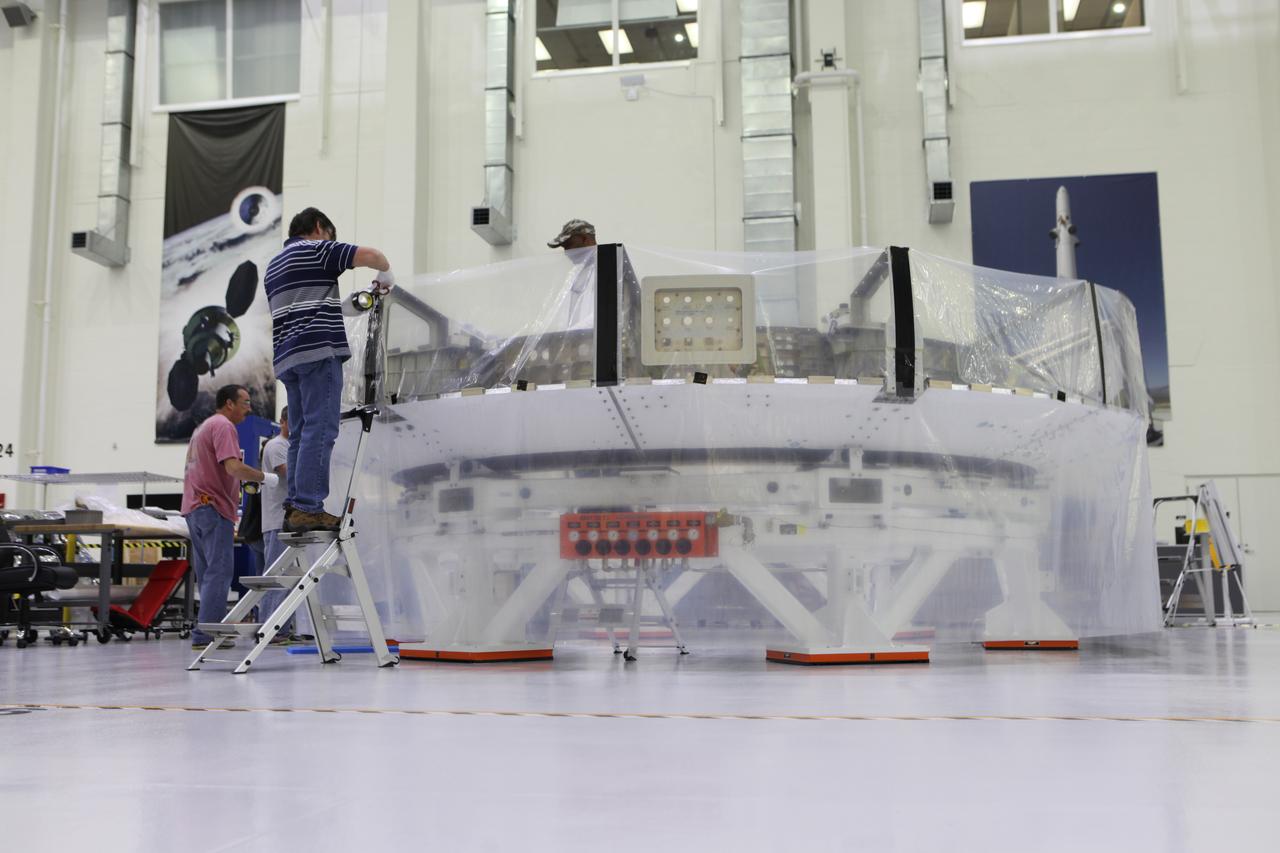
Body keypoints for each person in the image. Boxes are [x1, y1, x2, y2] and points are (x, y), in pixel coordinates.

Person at [265, 208, 394, 533]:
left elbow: (303, 304)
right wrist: (386, 275)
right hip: (319, 353)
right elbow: (373, 256)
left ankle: (297, 504)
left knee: (300, 433)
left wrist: (341, 307)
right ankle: (309, 507)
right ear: (319, 227)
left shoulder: (274, 266)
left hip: (288, 358)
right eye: (330, 235)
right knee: (321, 429)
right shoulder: (317, 249)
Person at [183, 384, 277, 649]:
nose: (249, 408)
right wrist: (265, 477)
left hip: (194, 508)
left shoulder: (203, 428)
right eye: (245, 402)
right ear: (229, 404)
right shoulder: (224, 426)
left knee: (208, 573)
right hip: (212, 508)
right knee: (219, 572)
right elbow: (233, 467)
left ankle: (208, 630)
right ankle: (207, 634)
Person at [256, 407, 299, 642]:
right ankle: (270, 628)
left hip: (292, 521)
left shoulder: (294, 446)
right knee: (277, 574)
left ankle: (282, 628)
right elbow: (289, 474)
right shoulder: (276, 446)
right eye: (293, 421)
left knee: (290, 577)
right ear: (282, 422)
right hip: (278, 521)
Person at [547, 219, 597, 331]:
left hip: (595, 340)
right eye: (564, 248)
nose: (567, 253)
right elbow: (563, 320)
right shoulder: (573, 276)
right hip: (573, 340)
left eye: (569, 245)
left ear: (584, 239)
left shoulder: (609, 270)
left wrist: (572, 333)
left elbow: (607, 314)